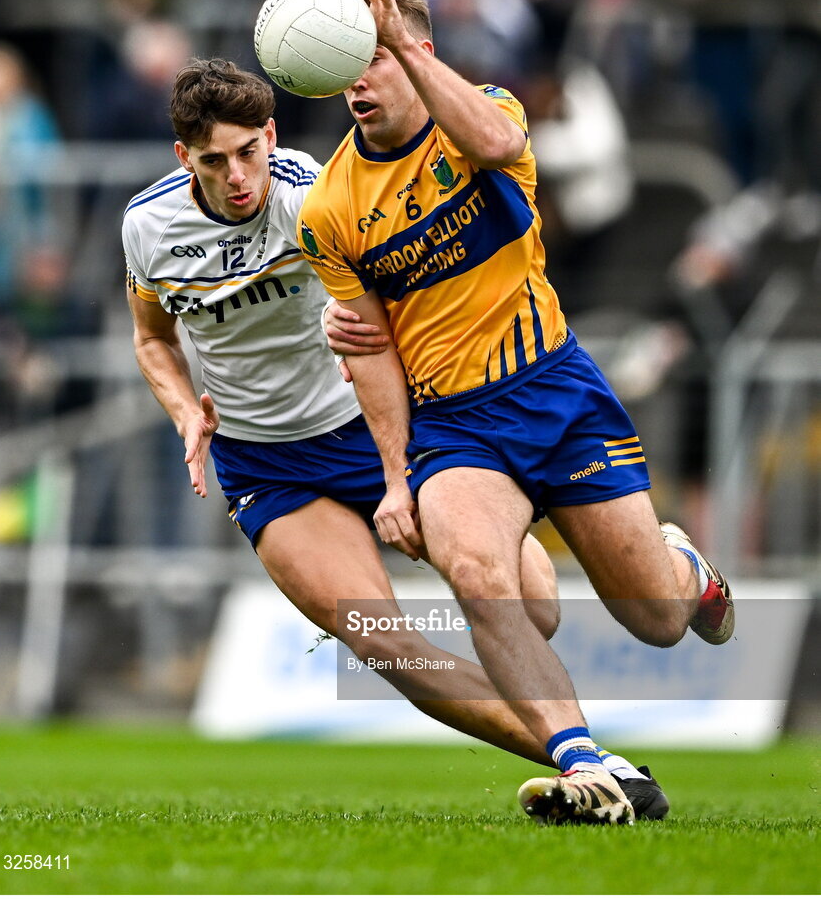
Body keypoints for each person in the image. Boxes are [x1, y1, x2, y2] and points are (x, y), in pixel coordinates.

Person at [122, 57, 669, 822]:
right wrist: (184, 409)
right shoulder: (146, 226)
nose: (238, 175)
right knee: (385, 643)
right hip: (265, 466)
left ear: (270, 135)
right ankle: (592, 767)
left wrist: (361, 345)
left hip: (368, 430)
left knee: (530, 610)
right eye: (214, 162)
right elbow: (152, 340)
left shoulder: (316, 193)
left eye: (248, 152)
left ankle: (636, 634)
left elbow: (400, 297)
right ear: (185, 158)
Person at [297, 0, 735, 826]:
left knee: (655, 616)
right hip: (456, 425)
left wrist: (407, 44)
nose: (359, 83)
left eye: (374, 59)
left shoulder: (486, 113)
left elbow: (499, 150)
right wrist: (393, 477)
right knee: (478, 576)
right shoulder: (330, 210)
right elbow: (371, 351)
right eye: (346, 68)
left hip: (557, 392)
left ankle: (686, 567)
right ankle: (591, 772)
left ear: (413, 51)